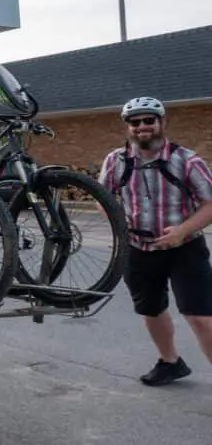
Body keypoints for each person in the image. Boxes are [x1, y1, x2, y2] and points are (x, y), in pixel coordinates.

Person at [98, 96, 212, 386]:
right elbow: (103, 196)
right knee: (151, 309)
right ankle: (170, 362)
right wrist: (116, 218)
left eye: (149, 120)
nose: (142, 127)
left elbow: (210, 203)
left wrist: (182, 231)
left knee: (200, 316)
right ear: (128, 127)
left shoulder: (186, 160)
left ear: (162, 123)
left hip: (184, 249)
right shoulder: (116, 160)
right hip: (138, 250)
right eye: (135, 122)